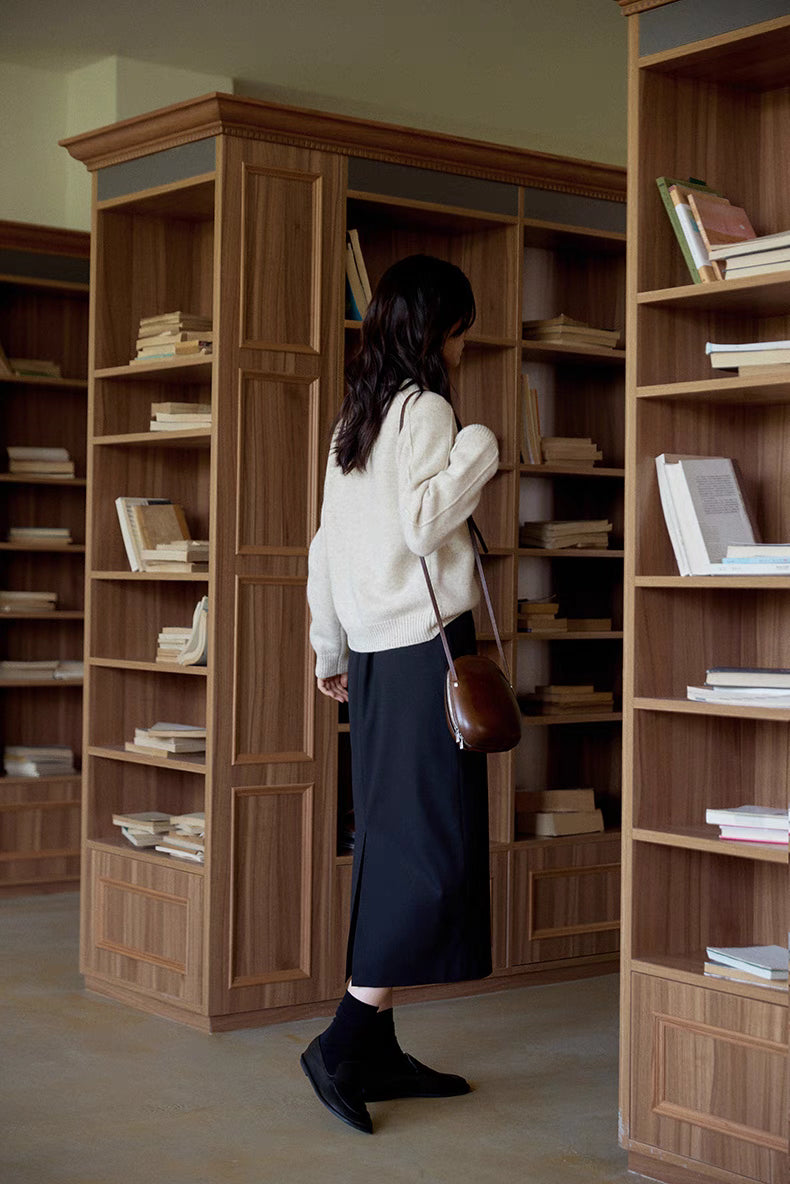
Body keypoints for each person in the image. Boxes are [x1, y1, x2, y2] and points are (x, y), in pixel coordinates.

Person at [303, 253, 499, 1134]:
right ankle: (344, 1039)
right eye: (460, 324)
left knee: (392, 842)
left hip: (377, 661)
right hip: (427, 652)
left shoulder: (357, 420)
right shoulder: (428, 412)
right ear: (436, 330)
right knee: (432, 852)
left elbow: (324, 550)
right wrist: (480, 450)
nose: (466, 340)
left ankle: (376, 1048)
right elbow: (426, 522)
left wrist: (329, 647)